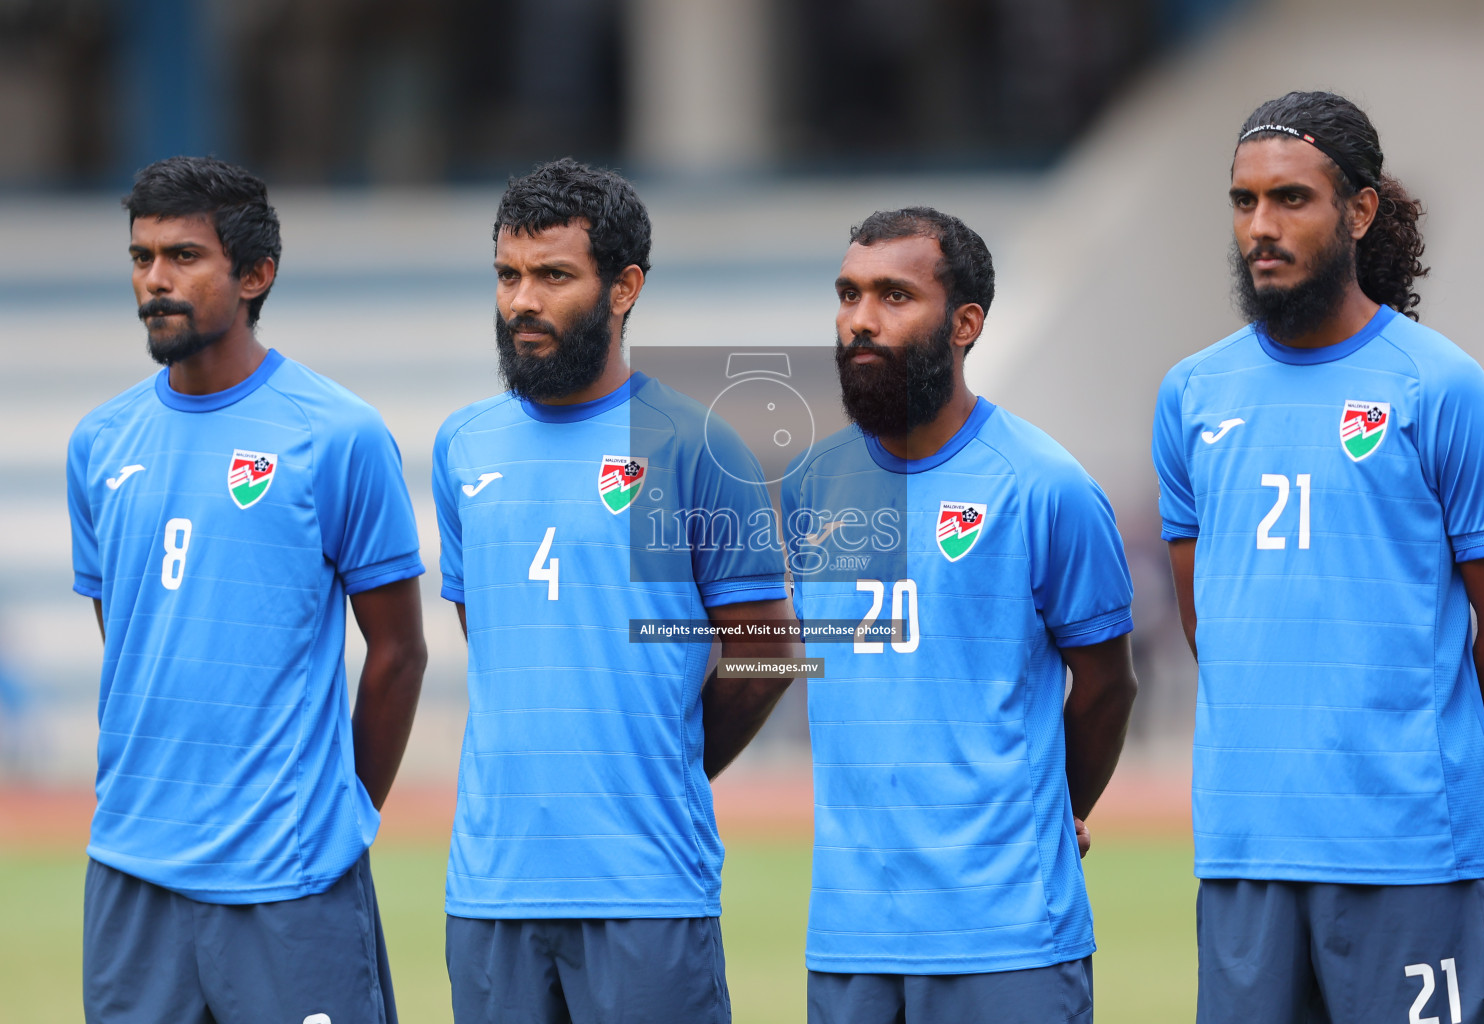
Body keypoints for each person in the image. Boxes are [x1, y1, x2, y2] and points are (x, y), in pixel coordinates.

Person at [1153, 91, 1484, 1024]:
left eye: (1291, 199)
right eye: (1244, 203)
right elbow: (1215, 625)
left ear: (1359, 212)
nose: (1261, 227)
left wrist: (1422, 766)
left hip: (1408, 851)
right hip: (1246, 850)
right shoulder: (1192, 395)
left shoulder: (1440, 386)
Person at [432, 158, 797, 1024]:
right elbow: (490, 630)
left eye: (554, 276)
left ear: (624, 287)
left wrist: (662, 762)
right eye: (509, 275)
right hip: (491, 892)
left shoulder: (690, 442)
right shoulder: (464, 447)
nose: (523, 301)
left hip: (646, 886)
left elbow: (771, 649)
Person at [66, 156, 427, 1023]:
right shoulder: (99, 444)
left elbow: (400, 652)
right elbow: (132, 636)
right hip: (131, 873)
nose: (154, 280)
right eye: (142, 256)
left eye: (184, 256)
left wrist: (343, 811)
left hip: (290, 879)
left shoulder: (338, 435)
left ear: (256, 274)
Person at [780, 207, 1139, 1024]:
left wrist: (1056, 811)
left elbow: (1107, 685)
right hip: (850, 942)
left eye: (894, 296)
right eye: (848, 294)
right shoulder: (811, 486)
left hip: (1006, 940)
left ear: (965, 324)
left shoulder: (1045, 485)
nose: (860, 320)